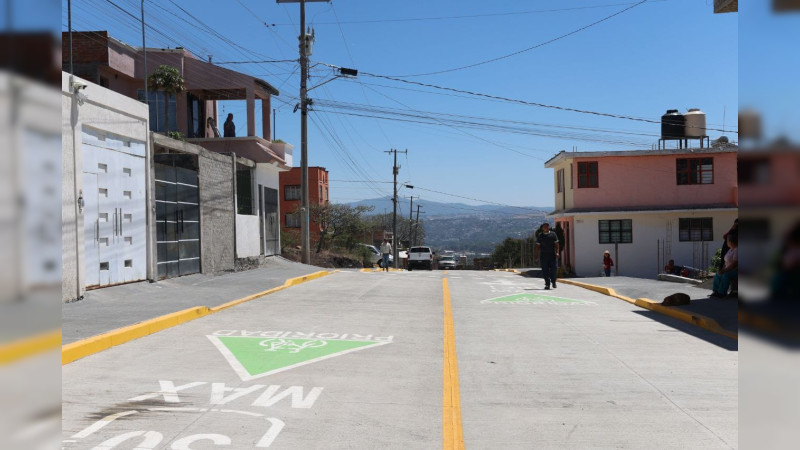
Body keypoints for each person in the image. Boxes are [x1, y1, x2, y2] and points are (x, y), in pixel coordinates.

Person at [710, 233, 737, 298]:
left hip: (736, 270)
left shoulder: (737, 250)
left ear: (730, 242)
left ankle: (722, 293)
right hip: (728, 269)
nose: (726, 242)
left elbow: (734, 264)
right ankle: (715, 291)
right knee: (718, 274)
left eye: (727, 241)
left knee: (725, 275)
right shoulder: (730, 250)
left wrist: (724, 270)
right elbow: (726, 262)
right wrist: (722, 269)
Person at [535, 222, 560, 289]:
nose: (545, 228)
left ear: (549, 227)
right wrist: (536, 256)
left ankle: (553, 281)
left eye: (547, 226)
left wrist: (557, 252)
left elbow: (557, 245)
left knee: (554, 269)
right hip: (543, 256)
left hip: (552, 255)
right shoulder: (540, 236)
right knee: (545, 270)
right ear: (542, 228)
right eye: (544, 227)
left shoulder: (553, 234)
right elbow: (537, 246)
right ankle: (547, 284)